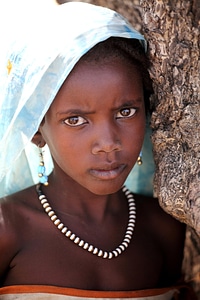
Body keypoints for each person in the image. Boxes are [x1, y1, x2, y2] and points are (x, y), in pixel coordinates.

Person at [0, 2, 196, 299]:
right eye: (75, 120)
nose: (108, 142)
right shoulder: (7, 229)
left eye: (126, 111)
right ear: (37, 130)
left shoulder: (166, 226)